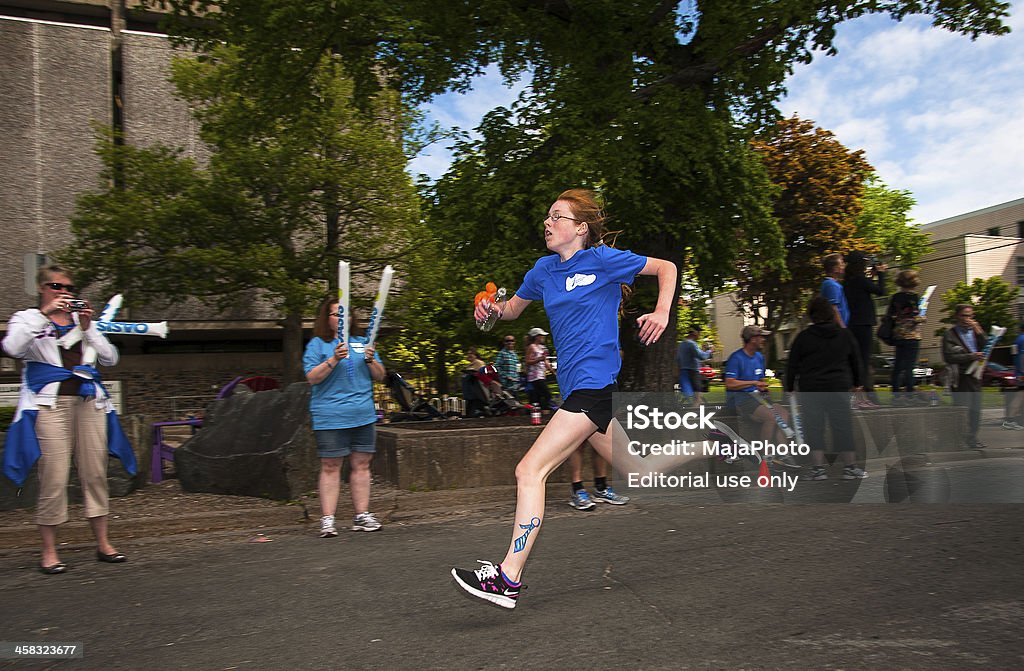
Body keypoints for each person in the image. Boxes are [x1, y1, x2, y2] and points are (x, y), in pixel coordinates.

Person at [451, 188, 676, 608]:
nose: (548, 223)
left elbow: (667, 267)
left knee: (529, 470)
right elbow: (513, 309)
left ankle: (507, 579)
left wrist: (661, 311)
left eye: (557, 217)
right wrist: (491, 309)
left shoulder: (604, 261)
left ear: (580, 228)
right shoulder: (543, 270)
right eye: (548, 217)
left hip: (594, 386)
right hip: (575, 390)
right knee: (644, 469)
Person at [2, 265, 131, 574]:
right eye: (56, 286)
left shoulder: (81, 322)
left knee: (95, 472)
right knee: (54, 476)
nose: (64, 292)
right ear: (43, 289)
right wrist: (44, 313)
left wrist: (88, 328)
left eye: (68, 288)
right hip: (50, 404)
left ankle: (103, 543)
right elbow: (13, 347)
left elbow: (110, 358)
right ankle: (49, 551)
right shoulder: (28, 318)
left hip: (89, 402)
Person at [303, 299, 387, 537]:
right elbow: (312, 378)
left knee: (361, 464)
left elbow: (380, 375)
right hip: (330, 415)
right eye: (336, 314)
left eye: (346, 314)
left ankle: (361, 515)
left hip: (362, 414)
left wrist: (371, 360)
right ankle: (328, 519)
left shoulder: (363, 343)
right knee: (330, 466)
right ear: (326, 318)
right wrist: (333, 359)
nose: (342, 318)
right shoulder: (318, 345)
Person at [784, 296, 869, 480]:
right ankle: (849, 467)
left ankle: (818, 470)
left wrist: (789, 386)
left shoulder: (804, 337)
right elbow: (856, 360)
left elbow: (792, 364)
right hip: (838, 387)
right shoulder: (844, 335)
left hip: (811, 389)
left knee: (814, 428)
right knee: (843, 427)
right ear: (831, 314)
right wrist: (857, 383)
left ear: (811, 315)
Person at [723, 325, 799, 469]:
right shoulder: (736, 358)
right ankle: (766, 456)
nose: (763, 339)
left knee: (782, 414)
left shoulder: (759, 357)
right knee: (771, 416)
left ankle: (784, 455)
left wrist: (764, 387)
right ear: (752, 339)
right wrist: (753, 383)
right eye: (760, 336)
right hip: (741, 400)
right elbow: (730, 383)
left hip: (759, 398)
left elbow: (761, 380)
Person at [843, 251, 887, 408]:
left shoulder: (848, 281)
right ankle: (862, 397)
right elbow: (880, 291)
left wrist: (872, 276)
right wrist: (881, 275)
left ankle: (859, 395)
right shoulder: (860, 280)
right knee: (863, 360)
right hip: (863, 324)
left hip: (852, 324)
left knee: (856, 360)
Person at [941, 304, 986, 449]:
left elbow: (987, 348)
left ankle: (972, 437)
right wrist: (971, 356)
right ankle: (959, 438)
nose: (967, 319)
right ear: (957, 316)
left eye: (970, 316)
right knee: (962, 408)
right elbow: (949, 356)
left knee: (976, 409)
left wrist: (979, 332)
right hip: (960, 375)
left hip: (975, 374)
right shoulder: (950, 335)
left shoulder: (975, 332)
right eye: (964, 315)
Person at [888, 270, 926, 406]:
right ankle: (910, 394)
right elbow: (917, 316)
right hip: (912, 335)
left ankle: (896, 394)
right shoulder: (915, 298)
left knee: (898, 365)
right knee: (909, 366)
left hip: (899, 334)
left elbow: (891, 315)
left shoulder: (895, 297)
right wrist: (921, 318)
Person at [676, 327, 712, 406]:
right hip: (693, 372)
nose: (699, 335)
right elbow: (701, 356)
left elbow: (678, 359)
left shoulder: (681, 344)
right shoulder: (691, 344)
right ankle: (695, 413)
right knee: (697, 395)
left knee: (689, 395)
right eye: (699, 333)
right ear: (695, 333)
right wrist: (709, 352)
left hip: (683, 371)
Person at [524, 327, 555, 413]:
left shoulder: (543, 348)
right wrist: (538, 359)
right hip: (534, 376)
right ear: (537, 336)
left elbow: (546, 361)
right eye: (542, 336)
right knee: (547, 394)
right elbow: (527, 361)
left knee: (537, 396)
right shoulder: (531, 347)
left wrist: (553, 371)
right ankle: (545, 410)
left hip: (541, 375)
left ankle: (536, 412)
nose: (543, 337)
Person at [820, 253, 849, 328]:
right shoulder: (831, 285)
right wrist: (843, 327)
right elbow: (833, 308)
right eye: (841, 264)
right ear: (835, 268)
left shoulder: (832, 284)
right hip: (838, 329)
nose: (844, 266)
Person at [1005, 323, 1024, 430]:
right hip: (1022, 373)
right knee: (1020, 396)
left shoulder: (1017, 340)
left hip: (1018, 372)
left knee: (1020, 396)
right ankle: (1010, 420)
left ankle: (1011, 419)